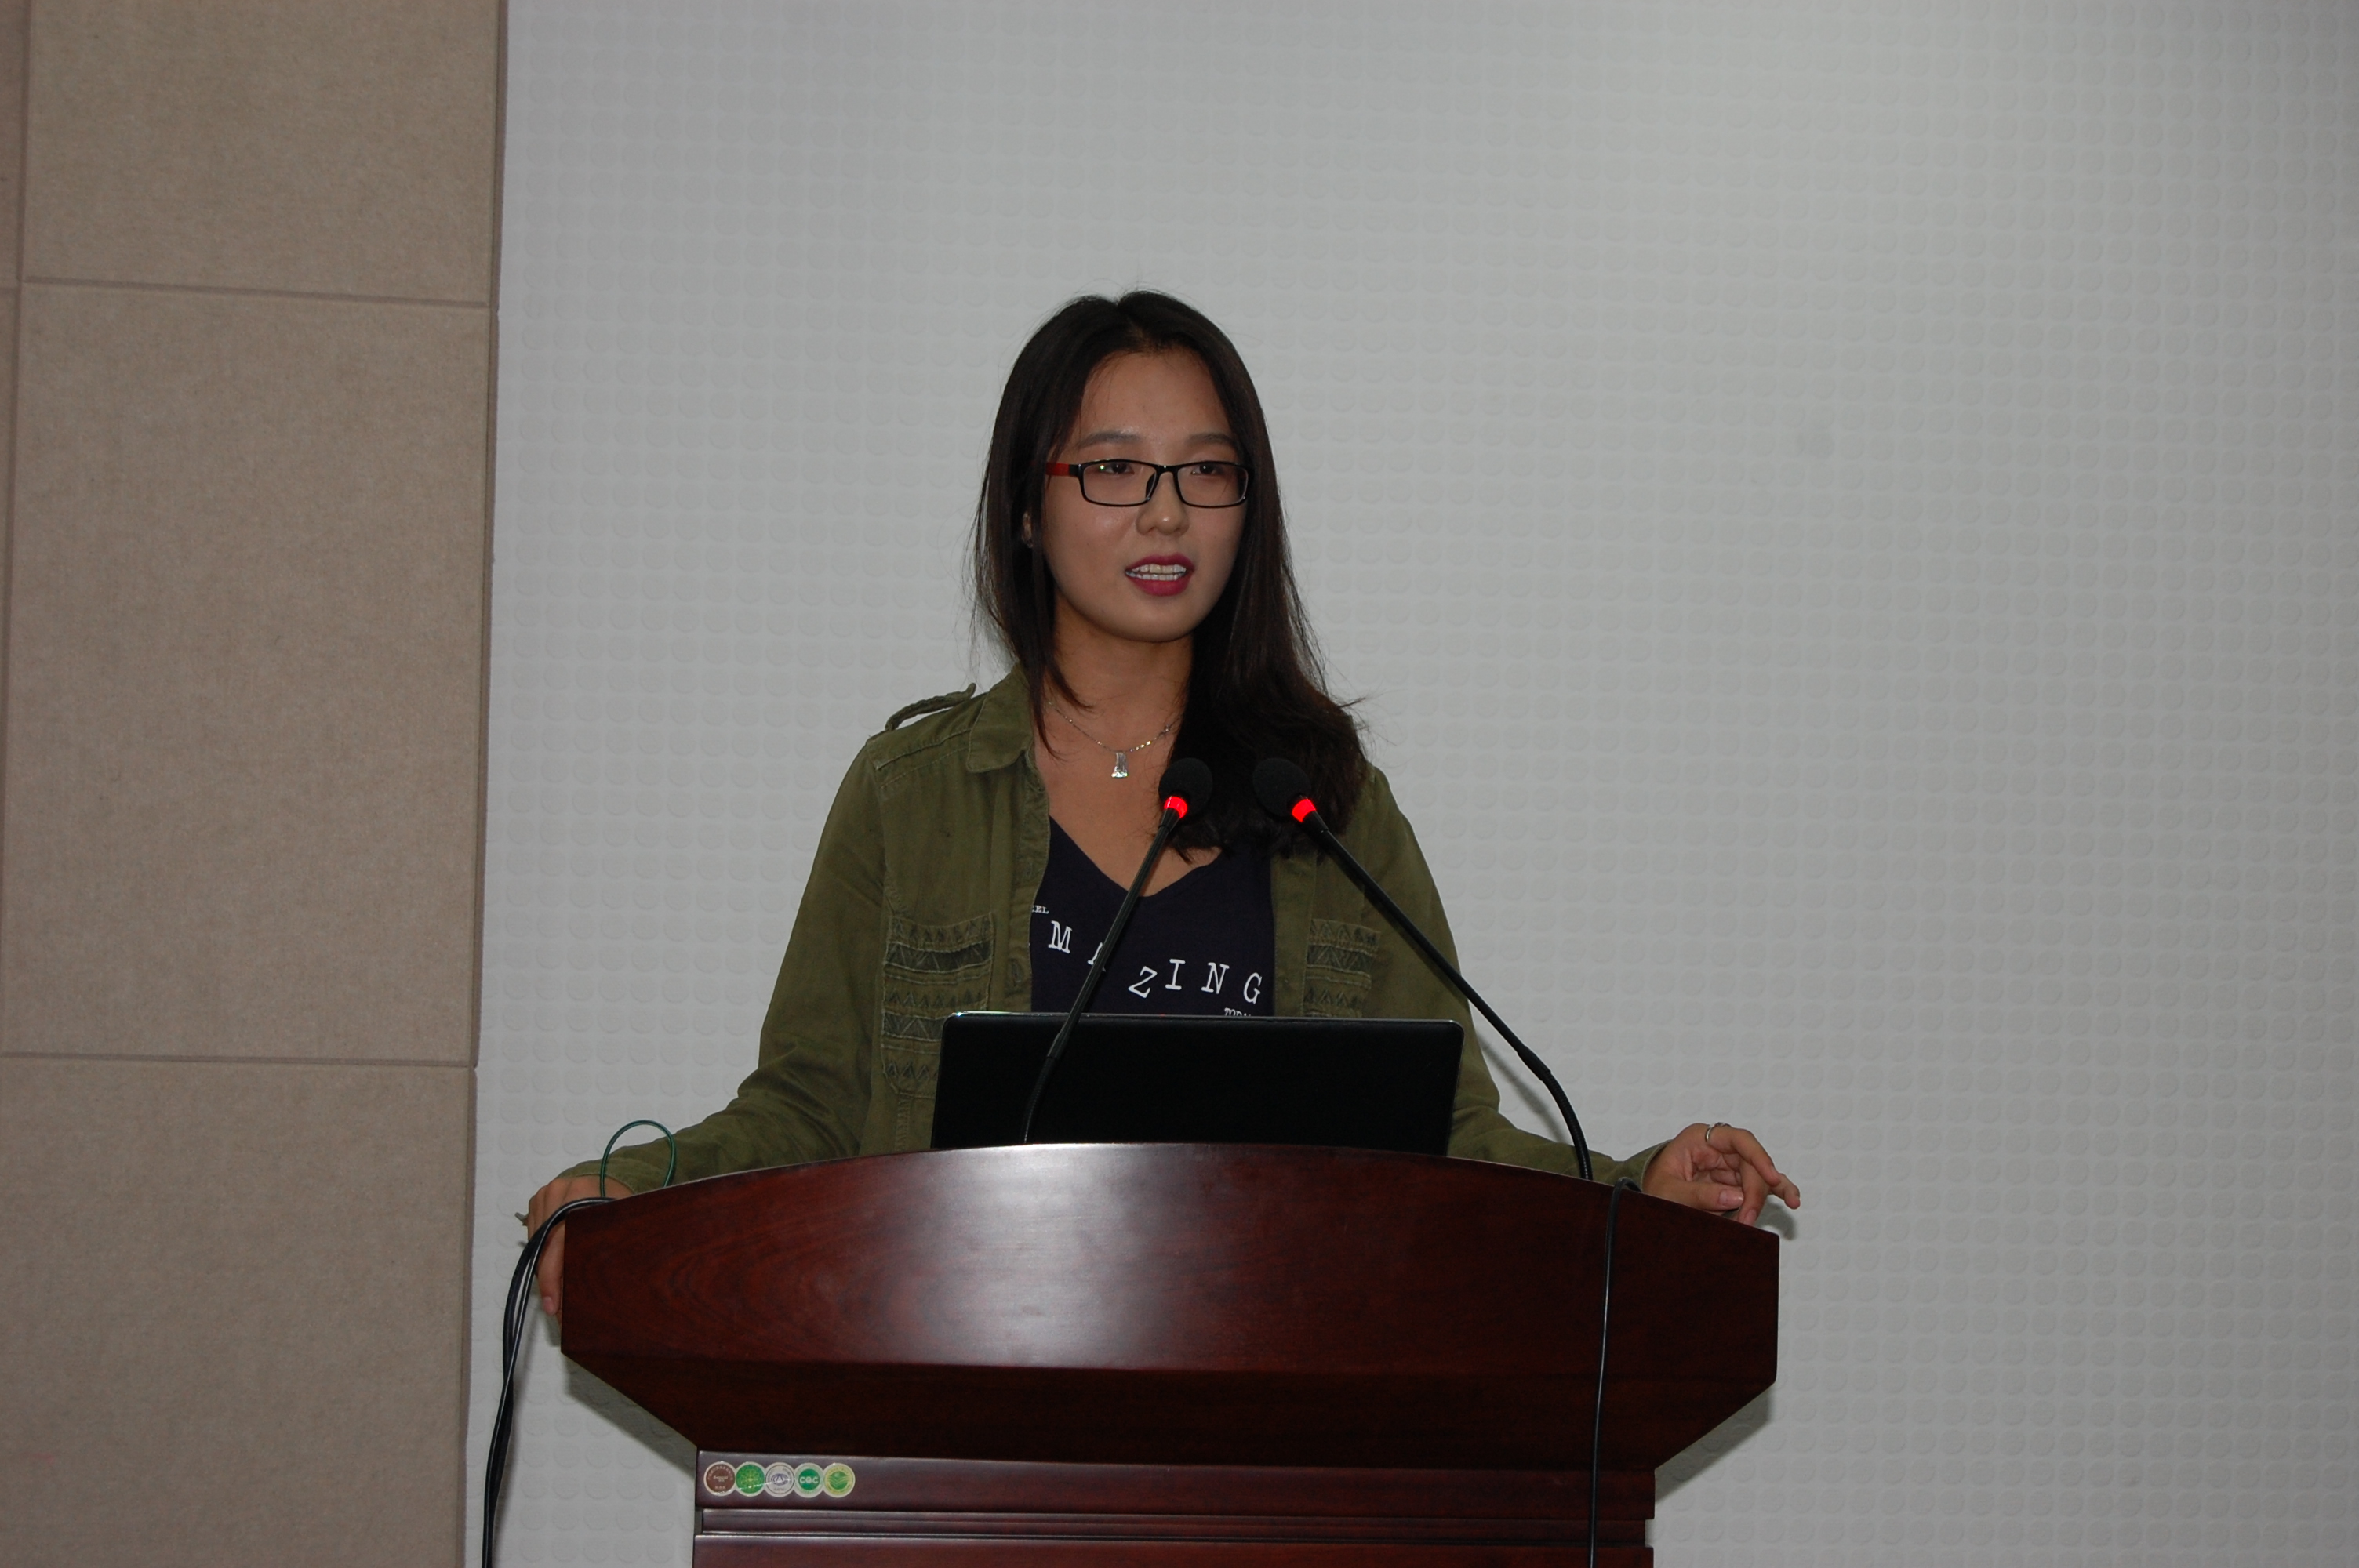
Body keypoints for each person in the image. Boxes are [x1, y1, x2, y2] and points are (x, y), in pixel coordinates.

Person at [525, 292, 1799, 1316]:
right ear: (1027, 506)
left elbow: (1447, 1135)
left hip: (1277, 1400)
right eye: (1114, 470)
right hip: (964, 1381)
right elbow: (809, 1107)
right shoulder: (914, 797)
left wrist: (1637, 1184)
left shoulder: (1329, 809)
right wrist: (631, 1187)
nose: (1167, 511)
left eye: (1206, 471)